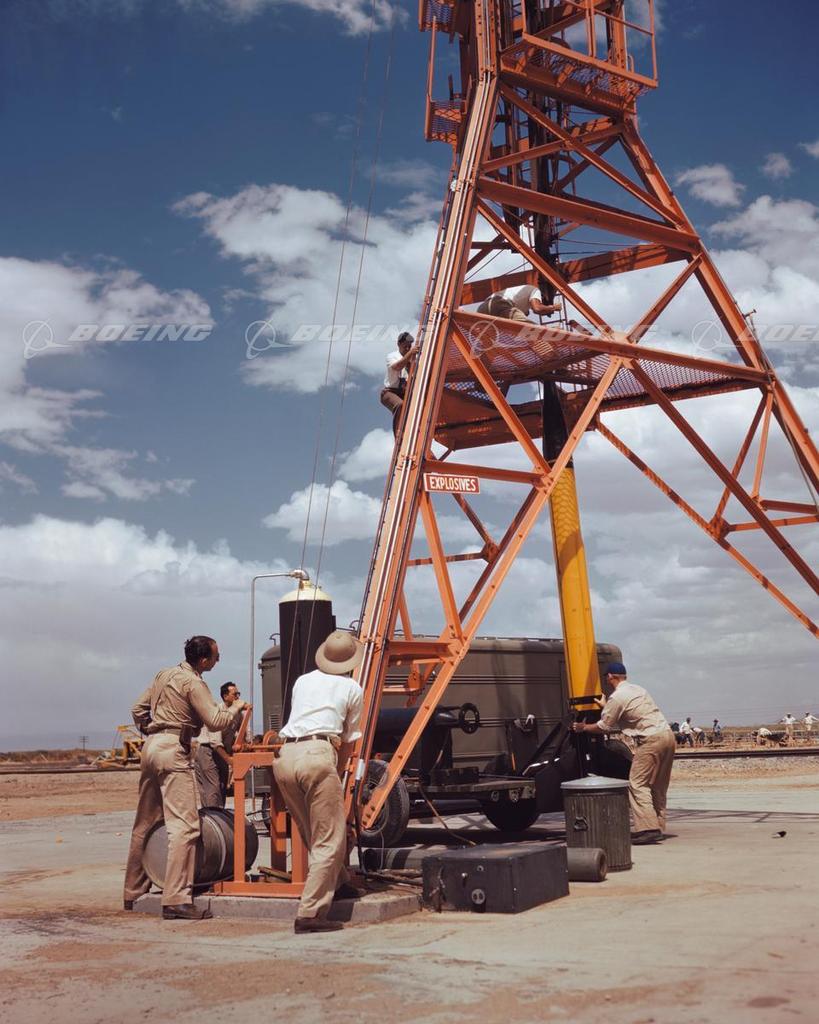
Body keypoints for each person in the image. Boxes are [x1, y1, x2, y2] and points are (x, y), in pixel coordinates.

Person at [123, 636, 248, 920]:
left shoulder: (163, 674)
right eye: (216, 656)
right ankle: (176, 899)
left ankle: (133, 891)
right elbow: (215, 721)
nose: (218, 659)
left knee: (145, 823)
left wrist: (152, 728)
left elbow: (137, 709)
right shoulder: (194, 683)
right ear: (203, 660)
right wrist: (236, 708)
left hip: (152, 746)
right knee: (185, 827)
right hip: (173, 749)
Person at [273, 629, 365, 933]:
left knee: (312, 831)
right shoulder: (352, 688)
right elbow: (349, 740)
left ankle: (338, 882)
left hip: (285, 756)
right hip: (318, 754)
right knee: (330, 837)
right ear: (351, 661)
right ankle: (310, 914)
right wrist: (337, 771)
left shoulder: (302, 681)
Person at [572, 661, 675, 845]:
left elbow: (604, 726)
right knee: (658, 784)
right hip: (667, 737)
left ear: (610, 676)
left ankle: (648, 829)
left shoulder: (617, 697)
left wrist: (583, 727)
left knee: (637, 783)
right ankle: (658, 826)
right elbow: (630, 711)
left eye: (606, 677)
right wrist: (607, 706)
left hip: (650, 740)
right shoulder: (638, 690)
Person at [195, 681, 241, 808]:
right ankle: (212, 817)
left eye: (238, 694)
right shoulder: (217, 711)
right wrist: (230, 761)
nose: (238, 697)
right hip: (208, 751)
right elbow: (215, 742)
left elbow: (243, 733)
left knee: (222, 787)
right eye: (235, 694)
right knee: (213, 789)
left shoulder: (237, 714)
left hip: (223, 752)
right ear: (225, 696)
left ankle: (220, 815)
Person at [380, 331, 419, 434]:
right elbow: (397, 367)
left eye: (409, 346)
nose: (408, 349)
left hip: (404, 393)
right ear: (398, 344)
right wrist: (410, 354)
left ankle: (410, 431)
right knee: (400, 405)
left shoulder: (413, 359)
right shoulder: (392, 356)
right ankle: (398, 433)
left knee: (415, 410)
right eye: (405, 346)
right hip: (390, 392)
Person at [477, 284, 561, 322]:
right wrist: (553, 307)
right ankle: (548, 351)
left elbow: (537, 311)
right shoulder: (535, 290)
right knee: (530, 329)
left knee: (489, 341)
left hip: (483, 309)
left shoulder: (523, 301)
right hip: (499, 304)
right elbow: (537, 308)